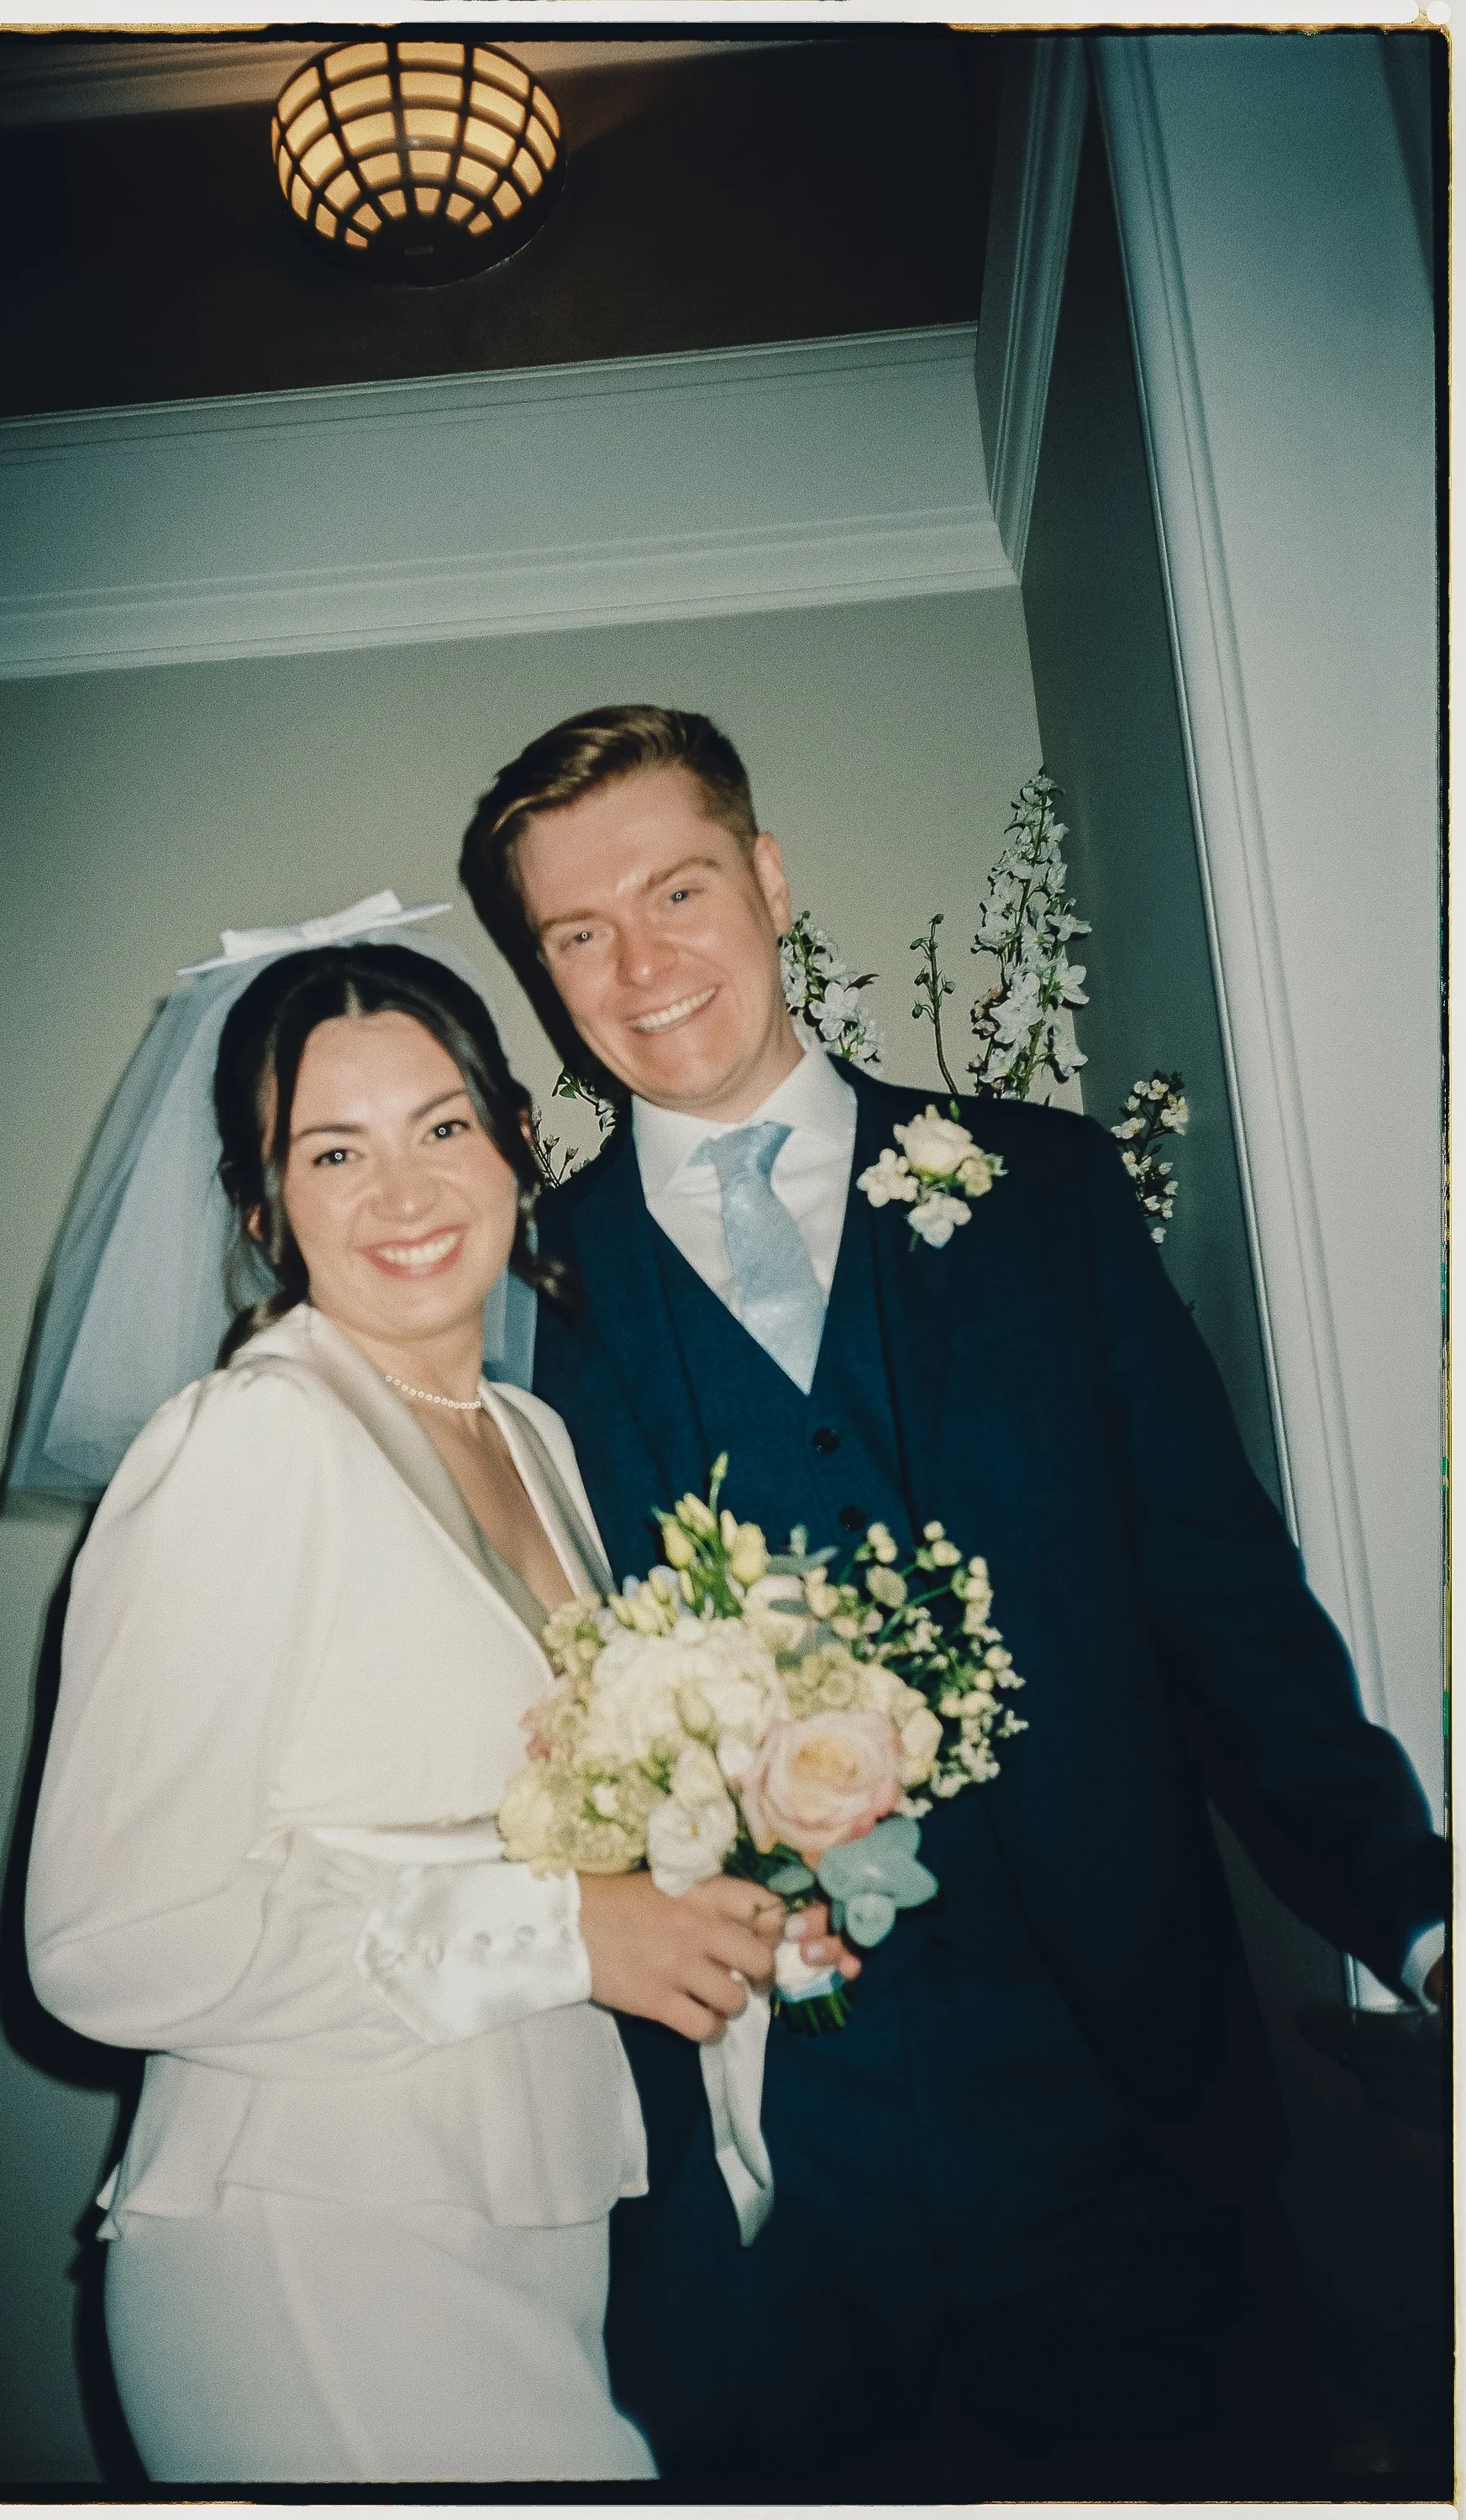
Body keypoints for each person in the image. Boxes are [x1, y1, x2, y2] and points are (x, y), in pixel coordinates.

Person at [460, 704, 1450, 2498]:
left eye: (677, 890)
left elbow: (1213, 1595)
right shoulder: (523, 1295)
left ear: (767, 878)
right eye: (576, 935)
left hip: (1112, 2099)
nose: (641, 964)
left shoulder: (1045, 1191)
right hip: (752, 2164)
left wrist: (1414, 1908)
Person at [23, 926, 790, 2484]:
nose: (406, 1191)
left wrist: (728, 1895)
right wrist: (575, 1932)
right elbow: (107, 1940)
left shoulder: (530, 1436)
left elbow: (534, 1814)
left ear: (514, 1137)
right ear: (264, 1205)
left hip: (532, 2221)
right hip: (314, 2242)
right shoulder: (248, 1444)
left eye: (443, 1125)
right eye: (333, 1151)